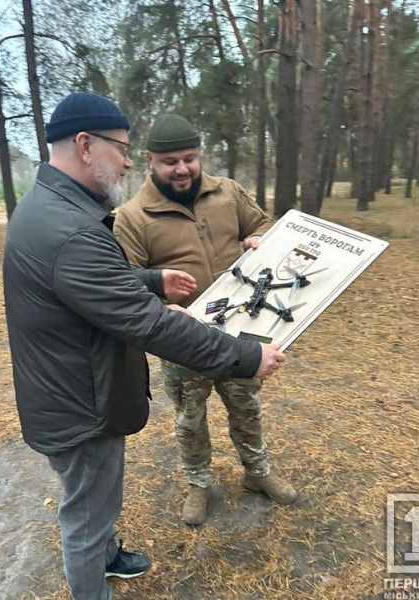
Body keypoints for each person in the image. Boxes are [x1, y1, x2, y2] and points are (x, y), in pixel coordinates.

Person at [3, 93, 286, 600]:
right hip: (80, 404)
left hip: (74, 388)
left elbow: (92, 281)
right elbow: (147, 325)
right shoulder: (69, 226)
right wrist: (246, 355)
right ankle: (95, 584)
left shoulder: (51, 207)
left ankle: (109, 556)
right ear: (86, 145)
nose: (129, 160)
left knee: (94, 502)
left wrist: (151, 279)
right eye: (122, 147)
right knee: (87, 515)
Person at [114, 114, 298, 527]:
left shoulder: (228, 192)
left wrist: (260, 240)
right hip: (181, 337)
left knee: (246, 407)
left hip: (239, 331)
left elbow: (264, 225)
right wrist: (161, 307)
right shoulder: (133, 216)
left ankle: (258, 473)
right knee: (190, 417)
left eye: (190, 158)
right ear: (150, 161)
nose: (182, 169)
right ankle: (199, 483)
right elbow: (123, 283)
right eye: (170, 161)